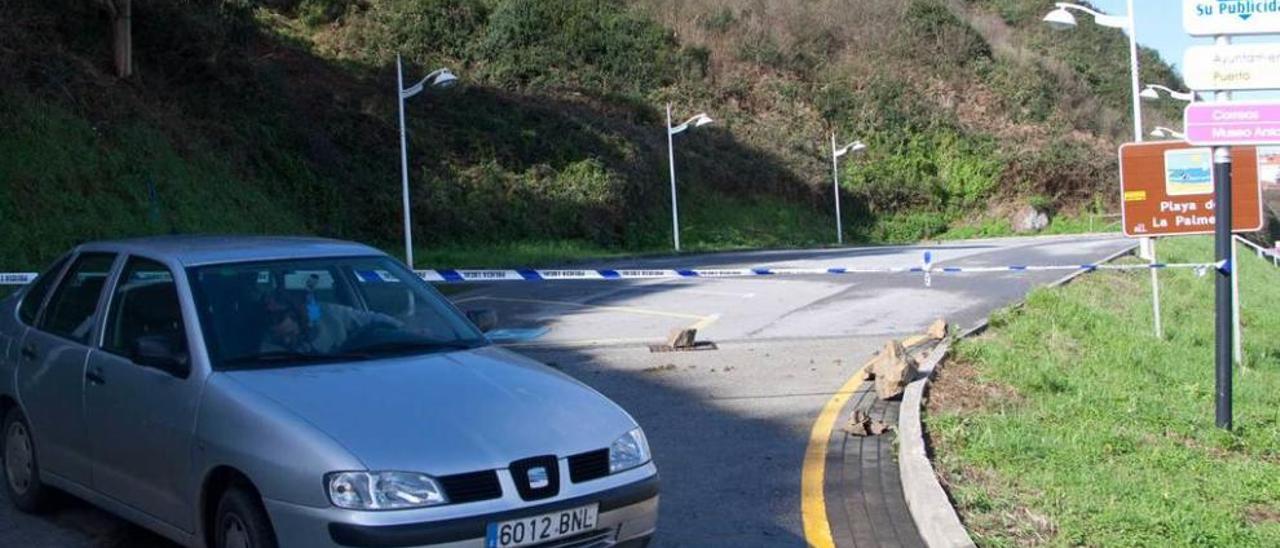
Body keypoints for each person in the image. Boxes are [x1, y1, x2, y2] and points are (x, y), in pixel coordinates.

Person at [260, 291, 403, 354]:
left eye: (291, 335)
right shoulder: (264, 350)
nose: (287, 341)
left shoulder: (329, 314)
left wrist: (405, 331)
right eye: (282, 340)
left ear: (296, 316)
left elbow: (371, 318)